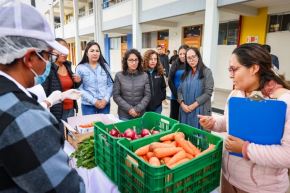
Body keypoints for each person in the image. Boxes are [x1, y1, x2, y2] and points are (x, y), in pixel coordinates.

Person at [0, 1, 85, 192]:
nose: (49, 62)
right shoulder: (23, 115)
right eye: (47, 56)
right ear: (29, 58)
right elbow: (67, 188)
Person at [198, 43, 290, 193]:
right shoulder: (236, 94)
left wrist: (244, 149)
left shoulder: (284, 101)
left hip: (261, 189)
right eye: (230, 69)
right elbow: (229, 124)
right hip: (228, 179)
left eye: (234, 69)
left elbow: (287, 155)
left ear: (254, 68)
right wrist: (214, 123)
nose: (230, 75)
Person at [42, 38, 82, 127]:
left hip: (71, 108)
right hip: (57, 111)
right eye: (60, 50)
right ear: (53, 51)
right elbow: (44, 93)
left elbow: (71, 86)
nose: (64, 53)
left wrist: (78, 81)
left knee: (70, 135)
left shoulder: (67, 66)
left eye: (66, 50)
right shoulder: (48, 69)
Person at [177, 47, 214, 128]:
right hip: (185, 110)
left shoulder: (207, 72)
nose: (191, 60)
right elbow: (179, 90)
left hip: (200, 110)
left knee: (198, 136)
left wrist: (193, 105)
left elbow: (208, 93)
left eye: (193, 57)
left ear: (198, 57)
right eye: (189, 58)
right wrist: (182, 104)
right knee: (184, 135)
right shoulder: (185, 74)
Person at [76, 41, 113, 115]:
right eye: (92, 51)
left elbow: (111, 84)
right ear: (86, 53)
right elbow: (79, 88)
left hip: (104, 105)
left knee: (104, 126)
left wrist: (105, 99)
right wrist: (94, 101)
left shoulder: (105, 66)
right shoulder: (80, 68)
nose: (95, 53)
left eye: (97, 51)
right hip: (88, 105)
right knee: (89, 126)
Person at [113, 49, 151, 120]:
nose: (134, 63)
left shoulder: (144, 75)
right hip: (124, 114)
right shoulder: (119, 75)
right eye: (131, 60)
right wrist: (130, 109)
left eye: (136, 60)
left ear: (139, 61)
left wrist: (137, 109)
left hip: (140, 113)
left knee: (140, 131)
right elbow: (116, 96)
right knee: (125, 131)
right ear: (126, 61)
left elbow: (147, 95)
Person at [168, 44, 189, 120]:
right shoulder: (175, 64)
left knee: (184, 119)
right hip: (175, 97)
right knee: (174, 118)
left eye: (184, 53)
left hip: (187, 98)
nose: (182, 56)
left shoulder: (191, 65)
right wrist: (177, 97)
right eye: (180, 54)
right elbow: (170, 81)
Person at [143, 49, 166, 113]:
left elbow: (163, 87)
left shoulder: (159, 72)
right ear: (146, 60)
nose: (153, 61)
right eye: (150, 59)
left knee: (156, 123)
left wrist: (161, 97)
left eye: (155, 59)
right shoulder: (141, 73)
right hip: (145, 107)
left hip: (157, 106)